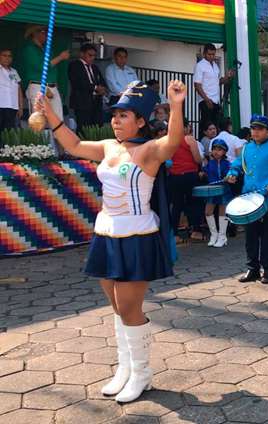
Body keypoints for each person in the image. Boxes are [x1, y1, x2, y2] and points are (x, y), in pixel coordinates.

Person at [34, 79, 186, 402]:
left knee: (130, 306)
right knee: (117, 307)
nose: (116, 120)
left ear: (141, 121)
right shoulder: (107, 146)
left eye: (125, 115)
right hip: (106, 233)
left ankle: (142, 373)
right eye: (115, 114)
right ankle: (125, 367)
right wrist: (49, 113)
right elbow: (73, 145)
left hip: (137, 236)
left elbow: (173, 141)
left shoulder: (148, 150)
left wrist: (176, 105)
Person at [225, 115, 268, 283]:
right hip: (248, 200)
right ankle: (252, 269)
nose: (255, 132)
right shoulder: (247, 148)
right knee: (250, 236)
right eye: (253, 128)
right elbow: (238, 164)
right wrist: (232, 173)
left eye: (260, 129)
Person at [20, 25, 69, 126]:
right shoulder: (29, 49)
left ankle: (55, 141)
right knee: (38, 120)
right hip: (37, 85)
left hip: (52, 86)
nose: (46, 34)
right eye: (43, 32)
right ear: (35, 34)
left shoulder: (47, 50)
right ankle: (39, 142)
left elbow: (53, 69)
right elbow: (42, 66)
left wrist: (55, 83)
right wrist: (60, 57)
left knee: (58, 120)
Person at [168, 119, 204, 242]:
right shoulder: (189, 139)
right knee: (193, 202)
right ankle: (195, 231)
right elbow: (197, 159)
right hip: (189, 175)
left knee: (176, 205)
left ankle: (174, 234)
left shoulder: (169, 140)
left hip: (174, 176)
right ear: (185, 127)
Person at [193, 44, 234, 130]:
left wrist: (227, 77)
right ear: (204, 54)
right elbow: (197, 84)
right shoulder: (200, 65)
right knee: (206, 125)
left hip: (215, 100)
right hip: (205, 100)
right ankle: (203, 142)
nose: (211, 56)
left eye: (213, 54)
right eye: (209, 54)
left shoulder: (215, 66)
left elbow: (218, 82)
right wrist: (207, 99)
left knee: (215, 125)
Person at [68, 43, 107, 133]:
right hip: (82, 102)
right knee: (83, 128)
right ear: (82, 54)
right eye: (90, 55)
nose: (92, 58)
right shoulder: (74, 65)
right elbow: (78, 83)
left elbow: (102, 81)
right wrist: (95, 87)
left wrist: (103, 89)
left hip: (96, 102)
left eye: (94, 56)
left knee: (97, 127)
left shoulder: (95, 67)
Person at [201, 139, 232, 248]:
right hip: (211, 190)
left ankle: (222, 236)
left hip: (224, 190)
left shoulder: (227, 164)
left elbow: (230, 173)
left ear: (224, 152)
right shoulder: (210, 163)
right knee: (208, 211)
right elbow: (205, 171)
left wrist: (228, 177)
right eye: (214, 149)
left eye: (219, 149)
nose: (216, 152)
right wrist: (202, 173)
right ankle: (213, 235)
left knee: (222, 212)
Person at [0, 48, 23, 132]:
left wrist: (20, 107)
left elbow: (19, 89)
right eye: (4, 55)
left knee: (8, 134)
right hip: (1, 105)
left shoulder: (14, 71)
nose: (7, 58)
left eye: (9, 56)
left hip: (12, 107)